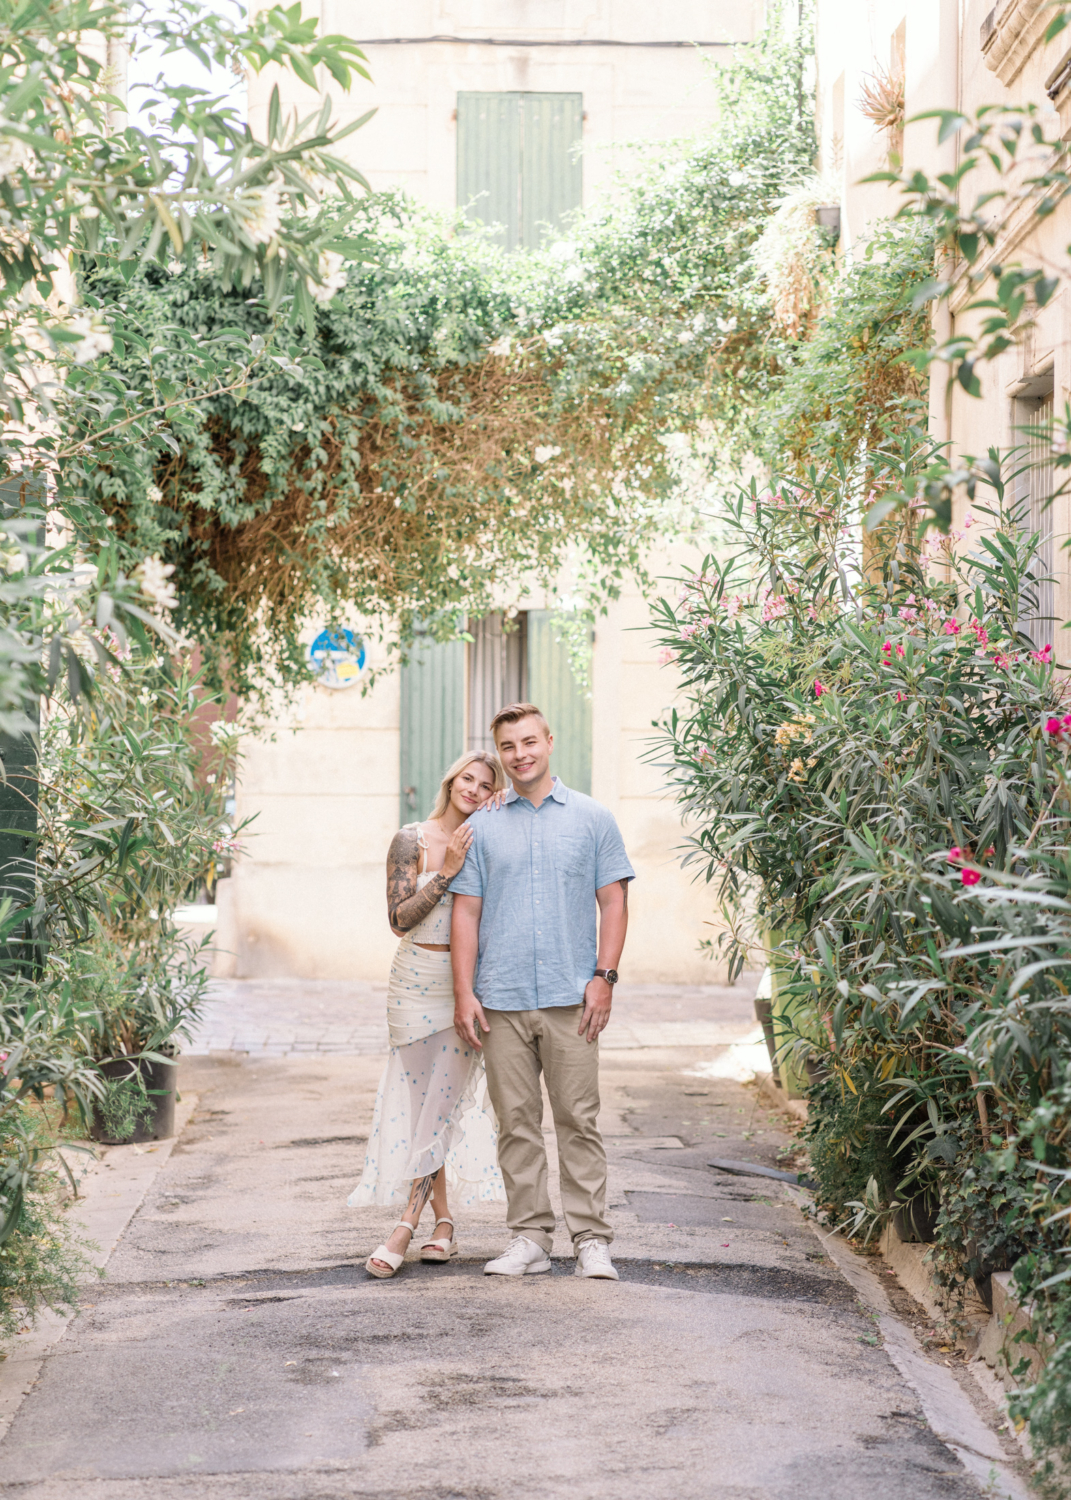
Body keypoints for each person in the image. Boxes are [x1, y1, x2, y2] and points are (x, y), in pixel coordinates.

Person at [450, 702, 634, 1280]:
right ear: (499, 753)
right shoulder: (481, 826)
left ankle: (591, 1240)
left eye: (529, 742)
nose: (519, 754)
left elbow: (614, 902)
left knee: (579, 1119)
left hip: (570, 997)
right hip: (499, 999)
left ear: (549, 742)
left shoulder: (593, 818)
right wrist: (464, 993)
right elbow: (466, 914)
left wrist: (603, 980)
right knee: (516, 1124)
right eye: (508, 747)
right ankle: (529, 1237)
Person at [350, 750, 507, 1278]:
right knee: (426, 1110)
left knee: (441, 1105)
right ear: (451, 780)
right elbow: (398, 920)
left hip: (464, 988)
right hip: (412, 985)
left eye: (487, 786)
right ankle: (444, 1222)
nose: (475, 790)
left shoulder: (489, 840)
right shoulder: (410, 839)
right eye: (469, 779)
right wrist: (445, 874)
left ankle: (404, 1227)